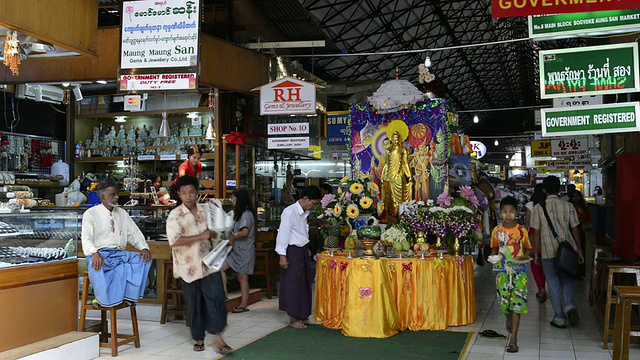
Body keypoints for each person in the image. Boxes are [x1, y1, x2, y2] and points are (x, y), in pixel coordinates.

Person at [166, 176, 230, 354]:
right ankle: (199, 338)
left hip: (210, 264)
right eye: (184, 193)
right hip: (188, 268)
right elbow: (174, 241)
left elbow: (220, 231)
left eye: (191, 192)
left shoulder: (206, 210)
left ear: (197, 192)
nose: (188, 196)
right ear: (179, 194)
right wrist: (201, 236)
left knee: (216, 299)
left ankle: (219, 337)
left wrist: (224, 239)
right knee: (194, 305)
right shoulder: (175, 215)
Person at [81, 180, 152, 307]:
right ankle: (102, 300)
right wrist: (94, 253)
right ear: (102, 197)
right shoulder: (91, 214)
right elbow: (86, 237)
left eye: (116, 194)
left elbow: (134, 233)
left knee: (144, 260)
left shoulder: (122, 213)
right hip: (100, 254)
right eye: (112, 195)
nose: (117, 197)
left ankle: (129, 296)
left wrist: (143, 247)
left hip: (119, 254)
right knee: (96, 264)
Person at [530, 175, 584, 329]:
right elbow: (575, 229)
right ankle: (570, 306)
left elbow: (536, 233)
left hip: (547, 252)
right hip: (567, 250)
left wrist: (535, 255)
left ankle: (559, 317)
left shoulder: (538, 208)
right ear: (559, 189)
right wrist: (579, 250)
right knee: (566, 280)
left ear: (545, 190)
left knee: (552, 283)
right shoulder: (568, 206)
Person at [276, 185, 322, 330]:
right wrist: (282, 256)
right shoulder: (289, 212)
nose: (313, 207)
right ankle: (293, 317)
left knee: (304, 283)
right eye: (313, 203)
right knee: (293, 284)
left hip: (301, 250)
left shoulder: (304, 213)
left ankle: (303, 314)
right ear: (305, 198)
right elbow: (283, 234)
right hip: (291, 251)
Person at [490, 196, 532, 354]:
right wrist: (494, 259)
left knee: (517, 304)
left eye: (511, 212)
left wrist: (525, 257)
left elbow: (528, 248)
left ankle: (513, 339)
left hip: (519, 273)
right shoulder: (497, 231)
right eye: (505, 212)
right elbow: (494, 248)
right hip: (501, 273)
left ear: (517, 213)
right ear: (500, 213)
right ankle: (507, 317)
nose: (508, 215)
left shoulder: (522, 231)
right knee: (504, 303)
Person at [221, 188, 256, 313]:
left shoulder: (246, 214)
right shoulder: (239, 213)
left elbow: (245, 232)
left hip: (244, 251)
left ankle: (243, 304)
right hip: (236, 251)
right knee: (220, 268)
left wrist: (233, 235)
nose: (232, 201)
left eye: (234, 199)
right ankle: (224, 294)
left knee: (242, 277)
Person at [381, 131, 413, 219]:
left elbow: (405, 164)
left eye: (397, 138)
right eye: (393, 139)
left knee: (400, 196)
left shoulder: (403, 150)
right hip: (390, 175)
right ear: (391, 139)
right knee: (390, 196)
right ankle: (391, 214)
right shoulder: (388, 150)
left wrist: (409, 176)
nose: (395, 140)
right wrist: (383, 175)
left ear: (400, 139)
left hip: (399, 175)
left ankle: (400, 214)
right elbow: (387, 164)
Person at [524, 183, 547, 303]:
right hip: (545, 233)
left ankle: (541, 288)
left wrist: (524, 237)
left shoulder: (530, 205)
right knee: (545, 262)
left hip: (533, 233)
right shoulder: (546, 204)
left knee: (534, 262)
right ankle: (543, 285)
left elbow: (527, 223)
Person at [569, 189, 591, 276]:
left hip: (581, 230)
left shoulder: (584, 208)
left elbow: (589, 220)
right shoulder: (568, 207)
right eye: (573, 196)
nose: (575, 198)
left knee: (581, 249)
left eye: (577, 196)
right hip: (570, 231)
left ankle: (581, 271)